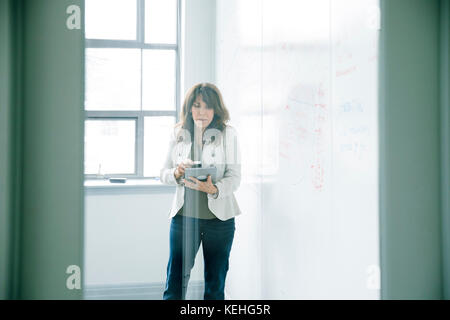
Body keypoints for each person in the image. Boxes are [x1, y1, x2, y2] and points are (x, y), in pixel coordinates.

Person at [160, 82, 242, 300]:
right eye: (197, 106)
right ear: (189, 108)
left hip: (220, 221)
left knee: (215, 285)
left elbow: (234, 178)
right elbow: (163, 173)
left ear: (216, 109)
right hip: (184, 219)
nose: (202, 112)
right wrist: (177, 173)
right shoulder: (178, 132)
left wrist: (213, 188)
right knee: (175, 284)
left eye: (208, 107)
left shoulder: (228, 134)